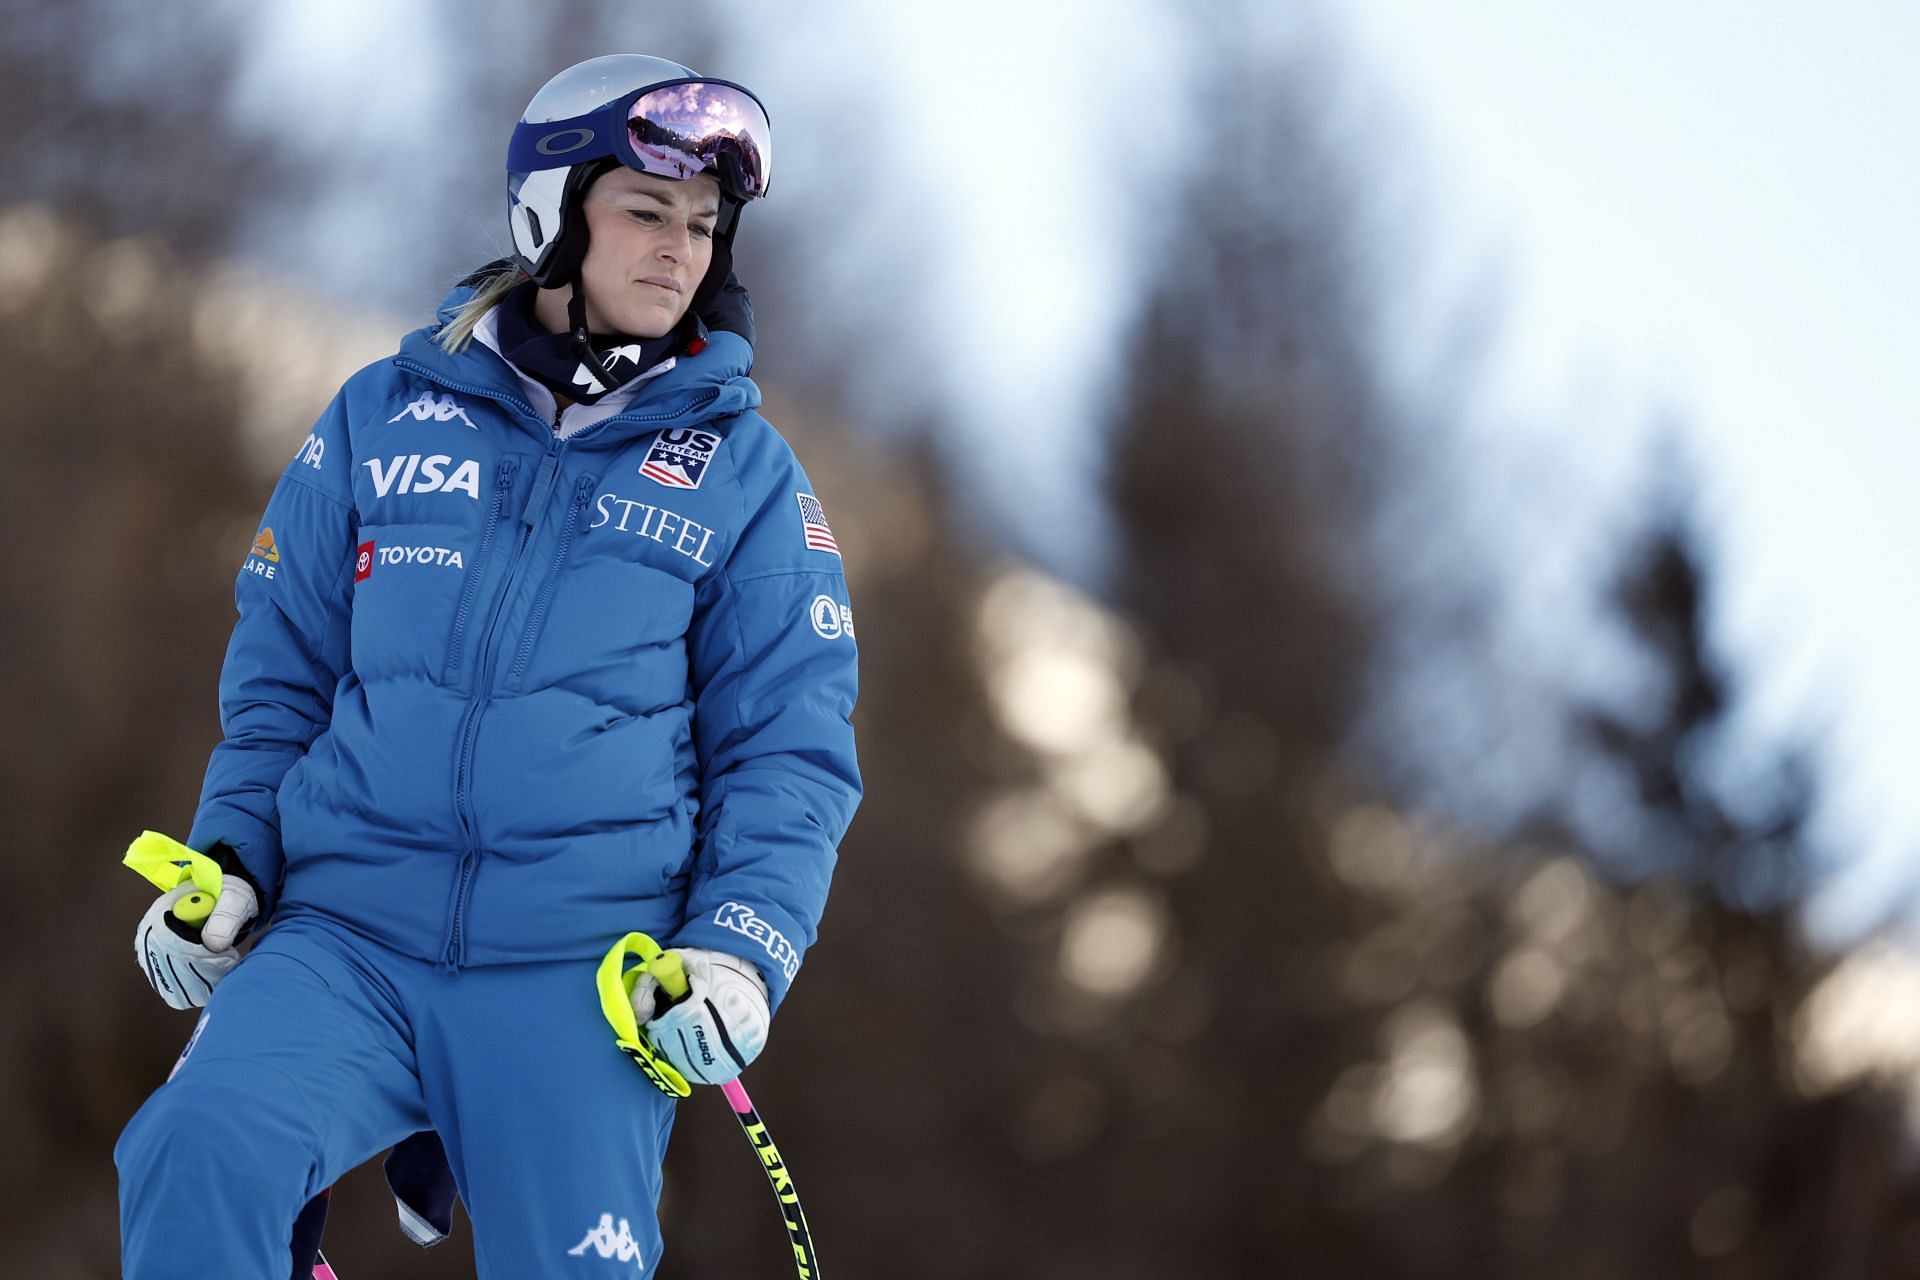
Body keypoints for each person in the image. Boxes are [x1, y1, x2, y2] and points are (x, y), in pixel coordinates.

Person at [115, 53, 860, 1279]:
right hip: (343, 932)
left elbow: (791, 748)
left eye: (701, 226)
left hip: (580, 972)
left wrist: (741, 943)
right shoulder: (381, 414)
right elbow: (283, 675)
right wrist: (234, 860)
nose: (679, 250)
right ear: (553, 215)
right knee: (197, 1149)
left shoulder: (748, 474)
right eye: (643, 212)